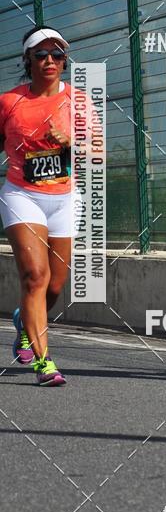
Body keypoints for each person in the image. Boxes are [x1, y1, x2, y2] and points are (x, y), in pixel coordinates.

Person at [0, 25, 75, 386]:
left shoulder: (79, 100)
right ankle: (45, 363)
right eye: (41, 54)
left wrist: (70, 145)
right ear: (27, 59)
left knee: (56, 286)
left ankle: (25, 326)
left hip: (63, 199)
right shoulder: (8, 102)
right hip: (21, 195)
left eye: (57, 54)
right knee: (36, 277)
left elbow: (98, 154)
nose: (50, 60)